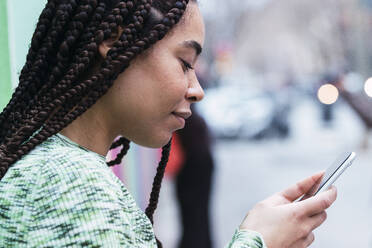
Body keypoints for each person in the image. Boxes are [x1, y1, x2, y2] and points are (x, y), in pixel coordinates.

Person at [0, 0, 337, 247]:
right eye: (185, 62)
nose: (197, 90)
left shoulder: (55, 169)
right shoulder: (73, 190)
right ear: (115, 42)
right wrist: (259, 243)